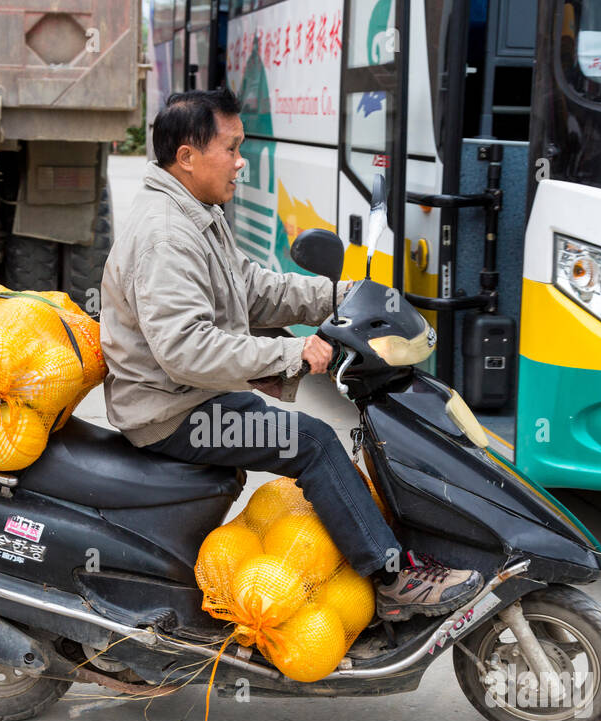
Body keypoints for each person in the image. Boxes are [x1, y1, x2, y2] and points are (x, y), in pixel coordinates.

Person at [99, 87, 482, 620]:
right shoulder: (166, 233)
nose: (241, 162)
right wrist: (293, 352)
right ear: (186, 157)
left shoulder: (195, 214)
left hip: (190, 398)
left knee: (312, 438)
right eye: (231, 149)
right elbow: (185, 349)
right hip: (170, 414)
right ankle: (393, 580)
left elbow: (253, 290)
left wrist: (337, 295)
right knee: (315, 442)